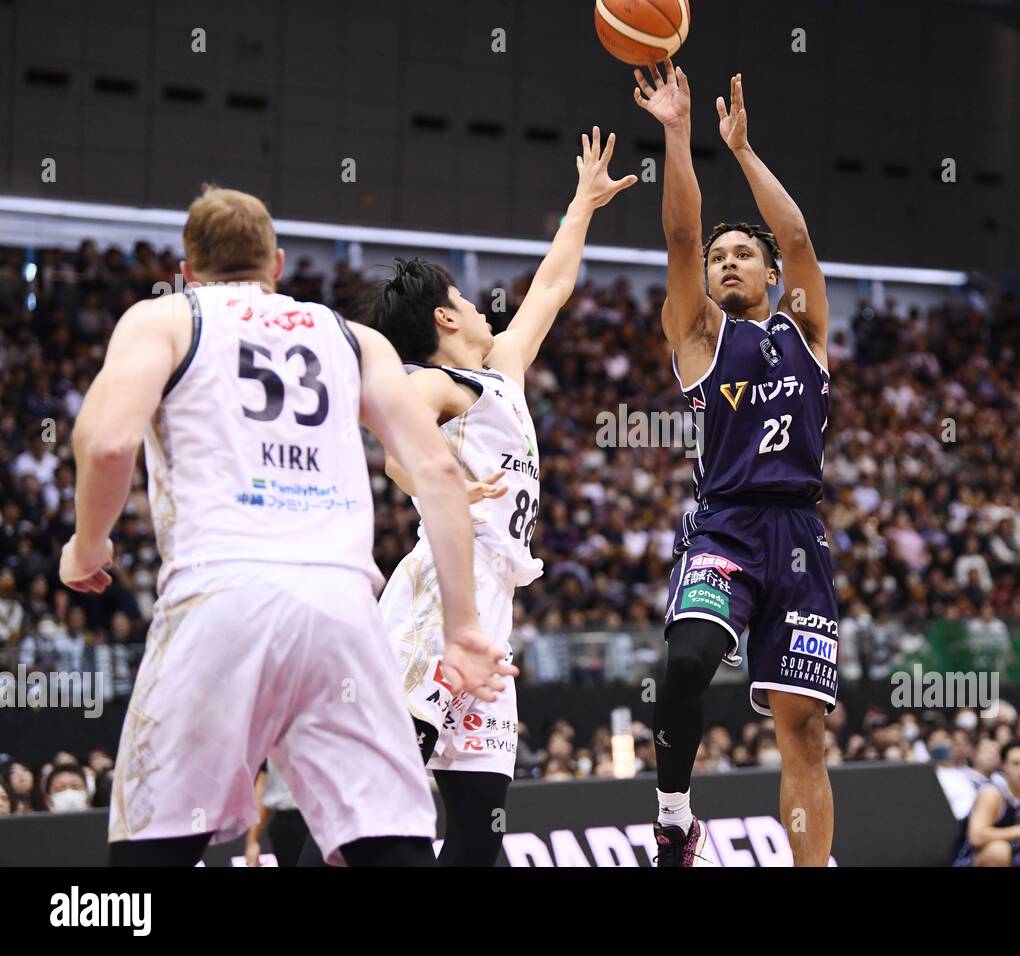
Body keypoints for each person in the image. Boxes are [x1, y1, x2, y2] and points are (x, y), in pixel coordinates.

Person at [58, 185, 515, 867]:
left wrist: (85, 547)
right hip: (340, 610)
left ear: (187, 272)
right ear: (276, 265)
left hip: (220, 599)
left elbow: (106, 445)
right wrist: (463, 628)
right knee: (390, 844)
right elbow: (439, 475)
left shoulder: (164, 320)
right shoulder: (351, 338)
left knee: (151, 854)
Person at [355, 128, 634, 866]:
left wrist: (581, 204)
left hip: (492, 606)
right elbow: (393, 458)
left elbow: (550, 287)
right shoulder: (432, 380)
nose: (485, 309)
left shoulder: (499, 369)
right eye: (468, 300)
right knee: (395, 779)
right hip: (441, 596)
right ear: (445, 319)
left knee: (481, 815)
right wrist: (436, 481)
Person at [634, 60, 837, 867]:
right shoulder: (697, 334)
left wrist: (744, 153)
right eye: (718, 256)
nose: (724, 261)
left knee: (806, 733)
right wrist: (678, 133)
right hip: (726, 524)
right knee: (686, 662)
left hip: (799, 537)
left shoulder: (807, 332)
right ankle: (676, 815)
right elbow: (680, 234)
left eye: (740, 255)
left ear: (770, 277)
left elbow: (797, 236)